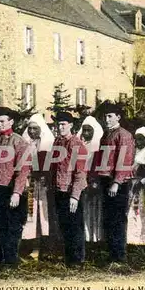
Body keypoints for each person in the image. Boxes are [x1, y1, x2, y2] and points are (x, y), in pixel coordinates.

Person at [0, 107, 31, 267]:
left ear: (11, 122)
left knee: (12, 226)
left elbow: (23, 170)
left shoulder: (19, 142)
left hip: (10, 190)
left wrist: (17, 193)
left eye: (2, 121)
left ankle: (11, 261)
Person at [96, 102, 135, 264]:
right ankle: (112, 254)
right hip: (106, 181)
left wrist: (117, 182)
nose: (107, 119)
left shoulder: (123, 135)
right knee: (108, 219)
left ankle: (119, 257)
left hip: (117, 183)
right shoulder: (106, 135)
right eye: (105, 116)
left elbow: (124, 160)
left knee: (117, 219)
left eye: (110, 116)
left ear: (118, 117)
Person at [52, 112, 88, 267]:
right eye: (58, 124)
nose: (60, 127)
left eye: (63, 124)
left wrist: (75, 196)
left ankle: (77, 259)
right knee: (64, 224)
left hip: (73, 190)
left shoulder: (76, 144)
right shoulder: (57, 142)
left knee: (75, 225)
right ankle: (68, 257)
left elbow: (80, 172)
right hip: (60, 189)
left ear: (71, 125)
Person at [21, 113, 57, 260]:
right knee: (31, 214)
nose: (32, 132)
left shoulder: (48, 143)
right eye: (30, 129)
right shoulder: (26, 143)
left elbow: (51, 165)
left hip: (44, 185)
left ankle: (47, 249)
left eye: (35, 129)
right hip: (31, 183)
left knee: (44, 215)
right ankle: (32, 248)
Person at [77, 116, 104, 243]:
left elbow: (99, 165)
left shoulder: (98, 145)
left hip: (94, 182)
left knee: (96, 210)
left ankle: (97, 239)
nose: (86, 133)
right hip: (82, 181)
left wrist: (94, 180)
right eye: (84, 130)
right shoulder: (79, 145)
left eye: (89, 130)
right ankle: (86, 238)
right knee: (84, 210)